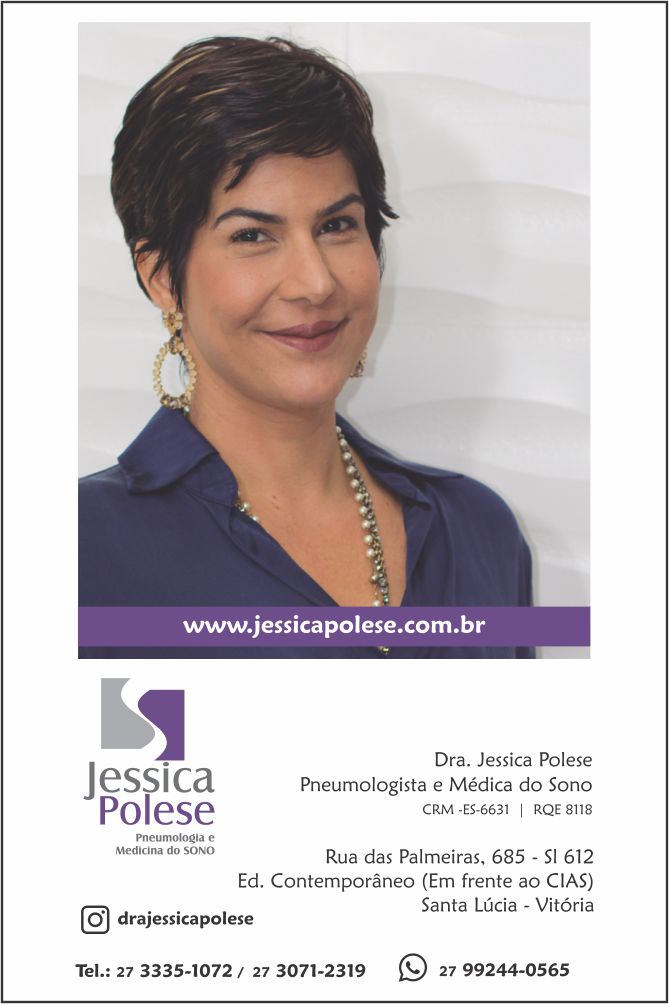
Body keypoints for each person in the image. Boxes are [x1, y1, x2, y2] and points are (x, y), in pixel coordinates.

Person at [79, 35, 533, 659]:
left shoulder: (477, 530)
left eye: (336, 225)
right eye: (252, 236)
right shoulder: (80, 550)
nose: (315, 283)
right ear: (162, 276)